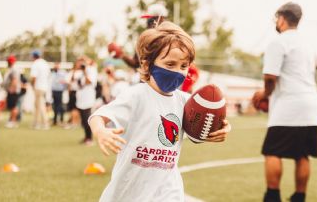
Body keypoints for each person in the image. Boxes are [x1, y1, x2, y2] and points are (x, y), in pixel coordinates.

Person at [88, 21, 231, 201]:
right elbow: (98, 116)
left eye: (183, 66)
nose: (178, 72)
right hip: (129, 191)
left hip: (168, 192)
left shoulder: (186, 101)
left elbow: (206, 124)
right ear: (147, 65)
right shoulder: (136, 96)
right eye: (170, 64)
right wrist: (101, 131)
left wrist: (223, 128)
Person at [252, 2, 317, 202]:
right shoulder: (307, 43)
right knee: (303, 155)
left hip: (289, 105)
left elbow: (270, 77)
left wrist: (263, 94)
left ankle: (272, 195)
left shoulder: (279, 42)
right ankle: (300, 196)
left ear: (282, 18)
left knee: (272, 151)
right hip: (310, 104)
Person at [75, 56, 97, 145]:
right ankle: (86, 137)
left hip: (88, 99)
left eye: (82, 62)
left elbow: (89, 82)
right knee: (83, 121)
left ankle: (90, 138)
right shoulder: (78, 73)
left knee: (87, 119)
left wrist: (85, 71)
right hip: (80, 99)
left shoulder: (92, 70)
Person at [30, 49, 51, 130]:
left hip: (38, 87)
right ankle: (36, 123)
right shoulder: (45, 63)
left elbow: (34, 77)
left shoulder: (35, 64)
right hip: (44, 87)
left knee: (40, 105)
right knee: (37, 105)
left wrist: (32, 85)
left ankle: (45, 123)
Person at [3, 55, 21, 128]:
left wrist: (12, 88)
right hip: (12, 90)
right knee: (12, 107)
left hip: (13, 91)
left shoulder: (14, 69)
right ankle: (11, 120)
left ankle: (13, 121)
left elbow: (14, 79)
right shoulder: (11, 68)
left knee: (14, 107)